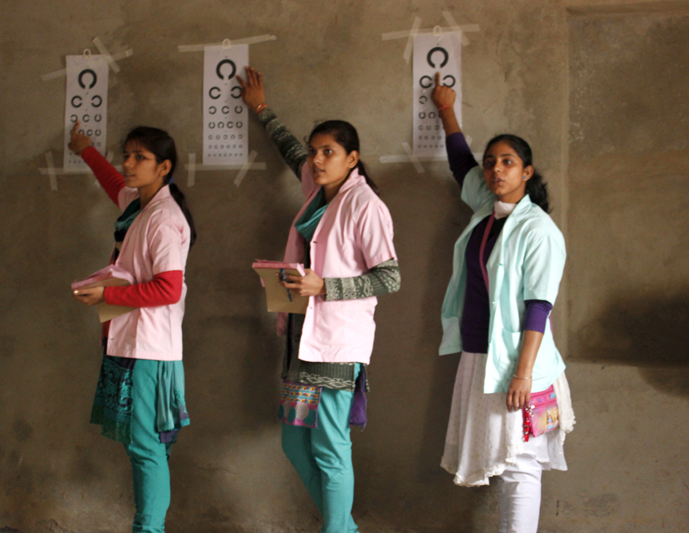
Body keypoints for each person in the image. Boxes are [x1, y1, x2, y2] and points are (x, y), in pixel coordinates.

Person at [237, 66, 400, 533]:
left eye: (329, 151)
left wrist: (324, 287)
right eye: (315, 151)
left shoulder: (366, 205)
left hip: (334, 348)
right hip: (300, 339)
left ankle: (337, 531)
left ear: (353, 158)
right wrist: (262, 109)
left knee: (330, 448)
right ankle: (344, 527)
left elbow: (389, 277)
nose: (317, 158)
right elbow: (291, 152)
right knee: (294, 443)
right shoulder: (317, 193)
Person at [431, 74, 575, 532]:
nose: (496, 169)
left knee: (521, 463)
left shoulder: (539, 230)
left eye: (508, 162)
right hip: (481, 356)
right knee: (503, 457)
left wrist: (523, 374)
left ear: (526, 173)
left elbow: (539, 305)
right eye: (492, 162)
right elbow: (460, 166)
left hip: (520, 362)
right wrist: (446, 110)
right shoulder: (486, 210)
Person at [70, 122, 197, 533]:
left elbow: (168, 287)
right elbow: (113, 184)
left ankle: (149, 529)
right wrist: (86, 150)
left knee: (147, 449)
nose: (127, 163)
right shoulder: (138, 205)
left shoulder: (162, 218)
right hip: (129, 344)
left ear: (164, 167)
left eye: (139, 158)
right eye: (127, 155)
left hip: (150, 348)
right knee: (140, 446)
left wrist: (107, 297)